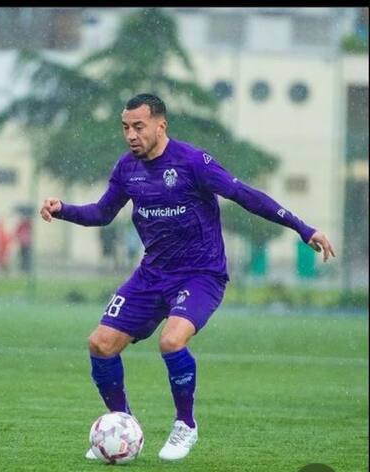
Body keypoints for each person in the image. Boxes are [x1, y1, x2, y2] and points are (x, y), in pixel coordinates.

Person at [39, 94, 335, 462]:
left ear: (161, 125)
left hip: (201, 274)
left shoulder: (192, 162)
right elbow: (102, 213)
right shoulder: (126, 169)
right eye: (125, 127)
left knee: (172, 340)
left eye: (139, 126)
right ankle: (123, 425)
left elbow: (245, 195)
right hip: (152, 275)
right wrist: (63, 209)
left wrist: (303, 228)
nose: (131, 134)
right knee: (100, 343)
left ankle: (186, 425)